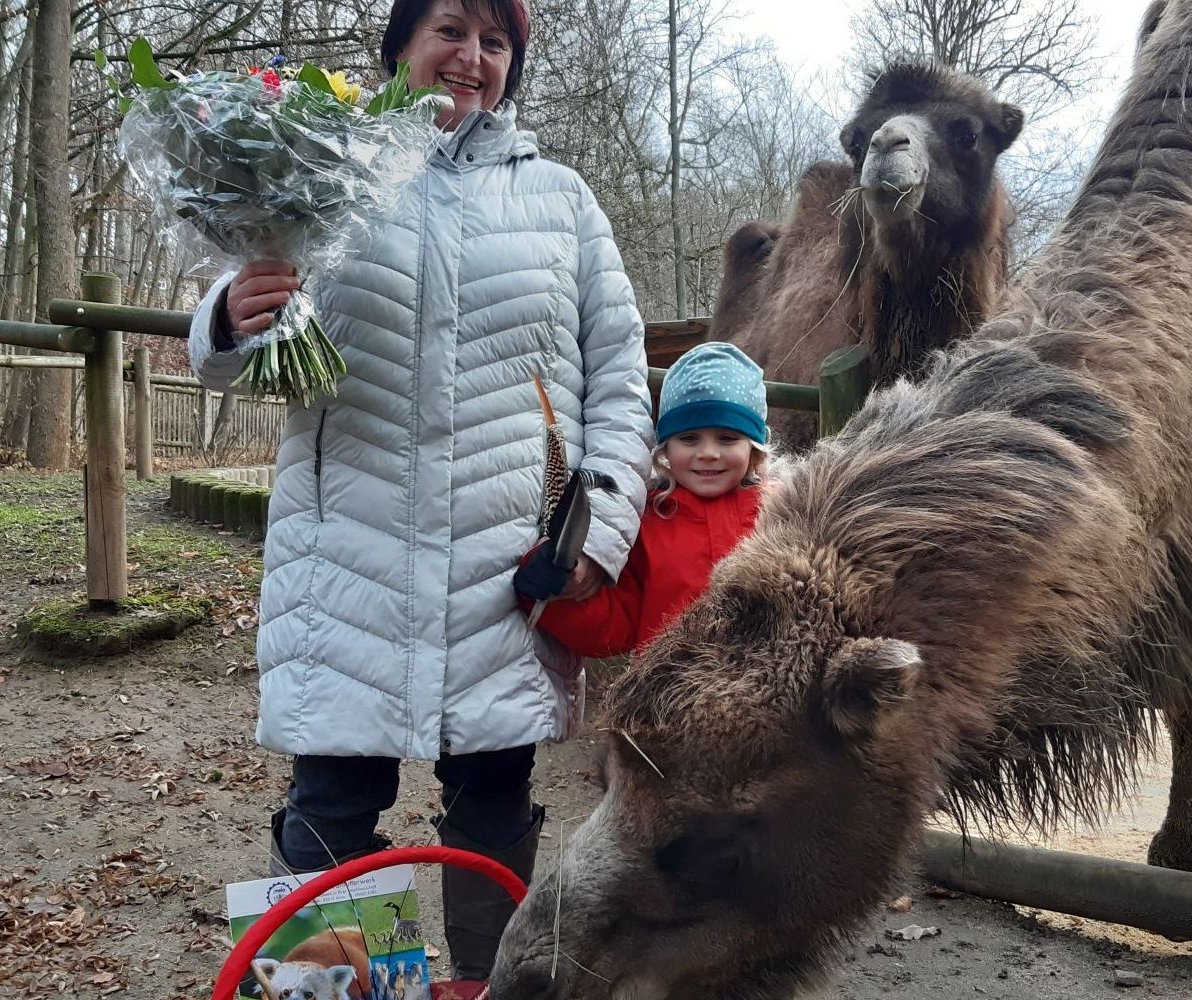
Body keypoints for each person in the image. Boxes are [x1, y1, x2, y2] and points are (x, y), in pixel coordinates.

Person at [185, 0, 654, 994]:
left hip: (504, 567)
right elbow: (239, 356)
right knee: (330, 804)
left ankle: (489, 983)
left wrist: (596, 532)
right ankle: (331, 991)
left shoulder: (563, 201)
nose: (471, 57)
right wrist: (228, 318)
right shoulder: (320, 173)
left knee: (494, 801)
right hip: (345, 561)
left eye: (496, 41)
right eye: (450, 29)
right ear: (400, 44)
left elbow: (618, 383)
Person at [515, 343, 768, 656]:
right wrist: (548, 592)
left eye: (727, 438)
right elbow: (615, 621)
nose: (707, 453)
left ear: (754, 448)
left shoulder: (780, 514)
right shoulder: (645, 521)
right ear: (665, 448)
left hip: (769, 681)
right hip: (672, 682)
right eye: (689, 438)